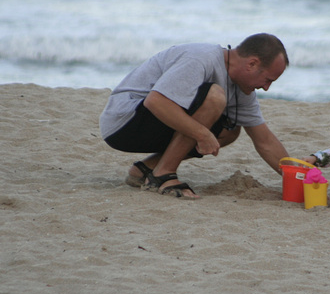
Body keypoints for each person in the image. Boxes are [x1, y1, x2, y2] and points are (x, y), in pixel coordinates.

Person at [99, 33, 290, 199]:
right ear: (252, 63)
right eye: (267, 80)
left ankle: (146, 169)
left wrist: (298, 176)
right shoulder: (201, 58)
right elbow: (155, 101)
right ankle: (163, 175)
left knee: (230, 130)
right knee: (215, 96)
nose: (266, 88)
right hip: (123, 121)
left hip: (150, 123)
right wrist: (203, 134)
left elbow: (264, 140)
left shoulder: (242, 89)